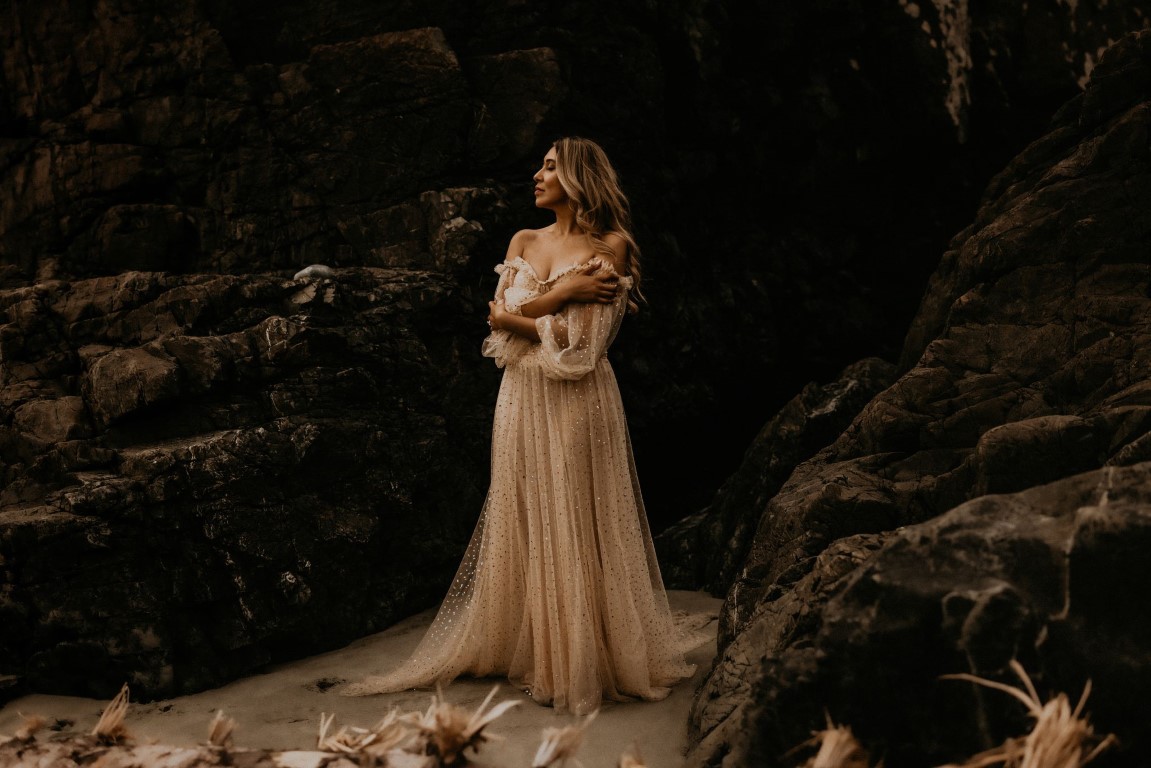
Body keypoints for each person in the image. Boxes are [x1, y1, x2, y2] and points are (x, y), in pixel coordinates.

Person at [344, 137, 693, 715]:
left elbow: (581, 348)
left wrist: (523, 315)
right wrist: (566, 292)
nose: (537, 174)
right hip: (519, 399)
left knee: (575, 516)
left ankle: (582, 656)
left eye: (550, 166)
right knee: (528, 513)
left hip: (578, 400)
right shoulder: (523, 241)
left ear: (577, 177)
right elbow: (495, 322)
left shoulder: (611, 246)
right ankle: (536, 644)